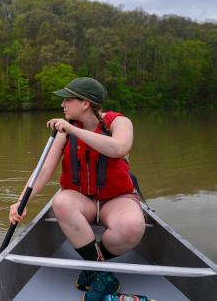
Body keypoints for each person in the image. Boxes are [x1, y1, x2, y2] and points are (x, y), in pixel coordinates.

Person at [8, 77, 146, 300]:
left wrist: (73, 130)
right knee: (61, 202)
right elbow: (43, 171)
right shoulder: (64, 131)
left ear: (85, 104)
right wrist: (21, 201)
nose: (62, 105)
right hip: (82, 200)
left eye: (67, 100)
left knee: (133, 227)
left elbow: (119, 148)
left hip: (116, 199)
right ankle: (103, 274)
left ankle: (92, 265)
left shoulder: (119, 123)